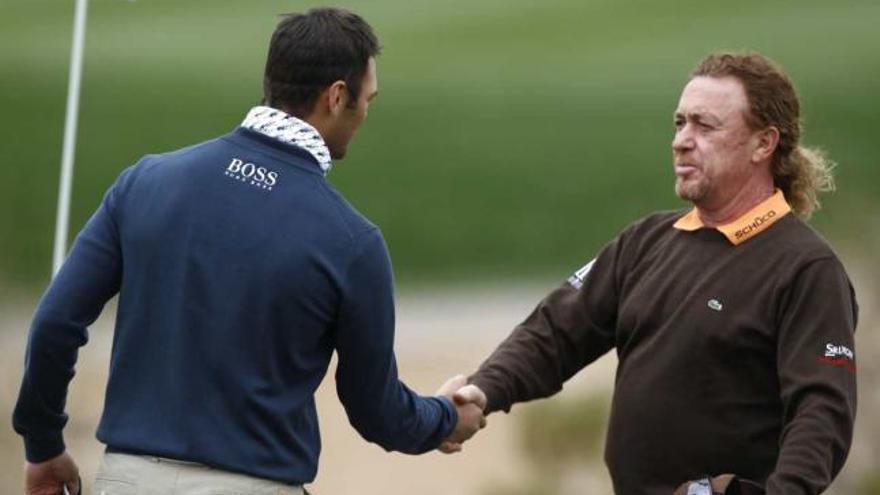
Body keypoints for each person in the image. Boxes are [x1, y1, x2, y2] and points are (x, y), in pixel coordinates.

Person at [13, 8, 484, 495]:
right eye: (367, 99)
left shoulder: (145, 182)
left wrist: (44, 446)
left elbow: (54, 324)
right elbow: (377, 412)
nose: (365, 113)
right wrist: (444, 418)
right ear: (337, 96)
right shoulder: (353, 242)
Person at [452, 52, 857, 495]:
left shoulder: (805, 268)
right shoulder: (647, 241)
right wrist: (485, 389)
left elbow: (821, 413)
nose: (682, 140)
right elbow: (557, 331)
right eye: (680, 123)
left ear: (764, 144)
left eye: (705, 126)